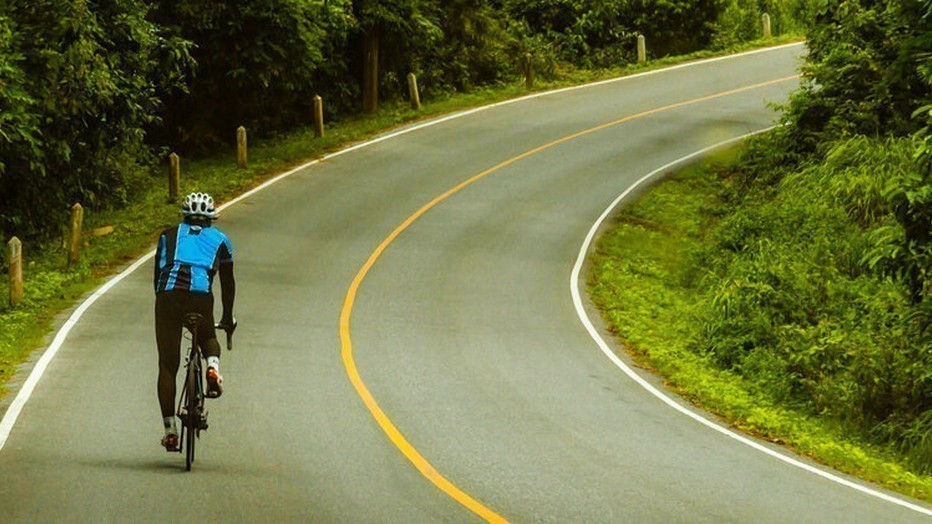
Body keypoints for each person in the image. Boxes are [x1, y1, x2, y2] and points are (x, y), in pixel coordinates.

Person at [154, 192, 236, 451]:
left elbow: (158, 273)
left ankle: (170, 431)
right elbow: (228, 283)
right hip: (200, 296)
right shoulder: (221, 240)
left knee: (168, 365)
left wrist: (163, 303)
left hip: (168, 296)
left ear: (185, 216)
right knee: (208, 337)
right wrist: (226, 317)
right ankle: (212, 367)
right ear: (211, 218)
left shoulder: (168, 234)